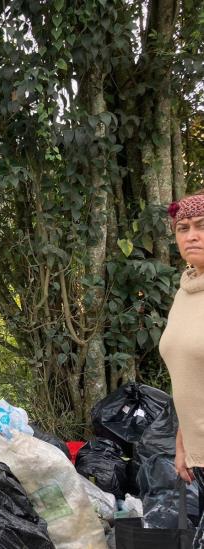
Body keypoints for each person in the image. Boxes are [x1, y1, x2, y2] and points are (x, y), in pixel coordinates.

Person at [159, 190, 204, 541]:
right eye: (183, 227)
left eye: (202, 226)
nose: (192, 235)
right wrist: (183, 443)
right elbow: (189, 377)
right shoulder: (185, 290)